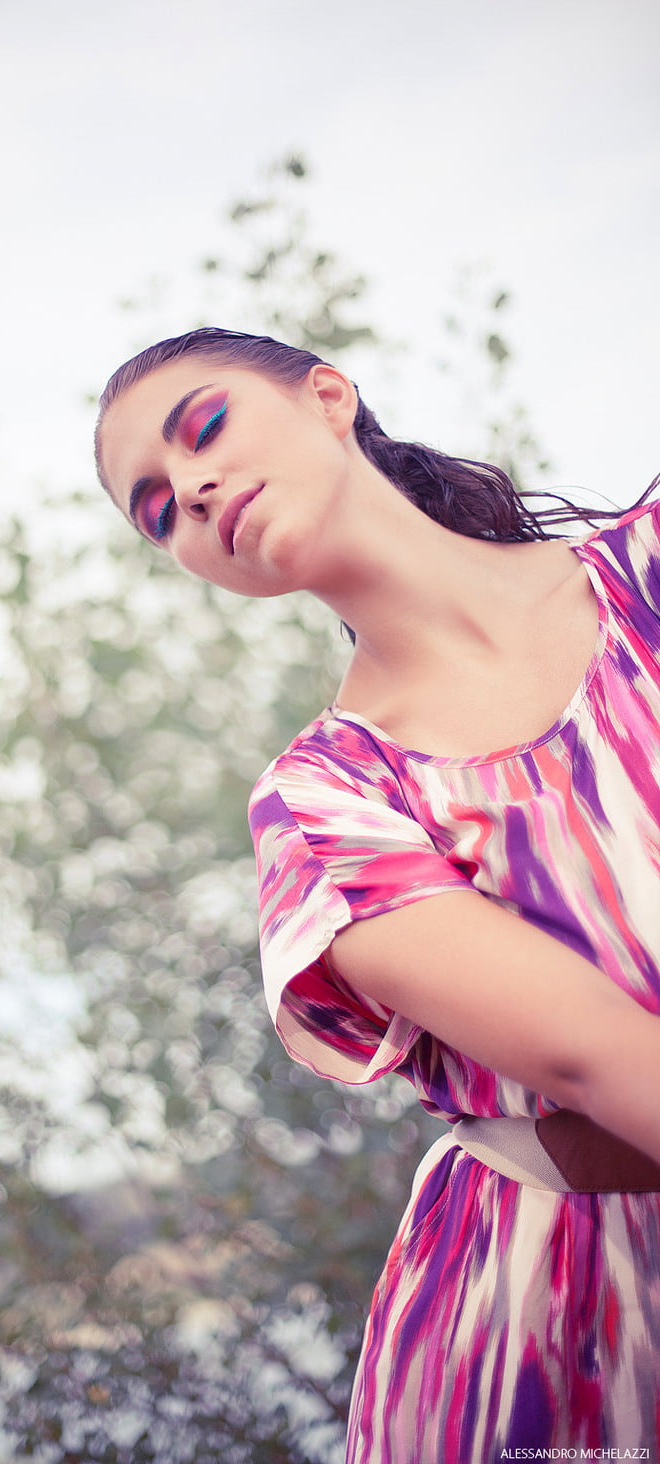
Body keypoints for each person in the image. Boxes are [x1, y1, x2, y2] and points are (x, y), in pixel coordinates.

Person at [94, 327, 660, 1461]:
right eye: (157, 511)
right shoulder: (321, 802)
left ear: (327, 396)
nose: (191, 492)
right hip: (552, 1321)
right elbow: (590, 1052)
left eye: (201, 429)